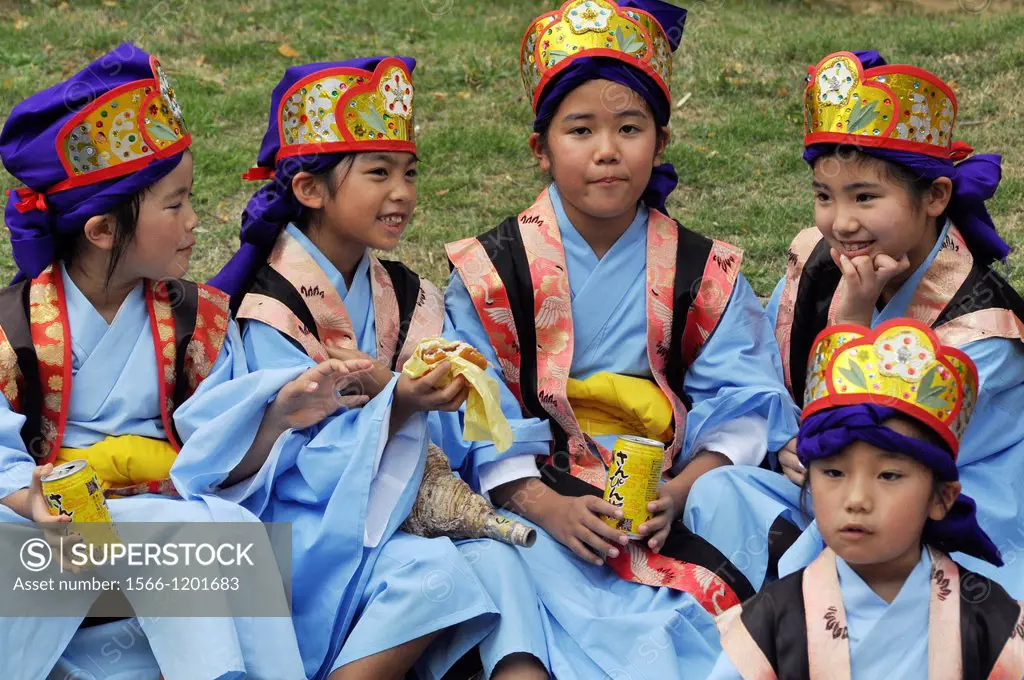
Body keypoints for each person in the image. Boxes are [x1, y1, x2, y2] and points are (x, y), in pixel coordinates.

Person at [709, 319, 1024, 680]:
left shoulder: (991, 623)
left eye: (889, 475)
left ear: (942, 497)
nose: (857, 499)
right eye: (833, 473)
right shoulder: (769, 623)